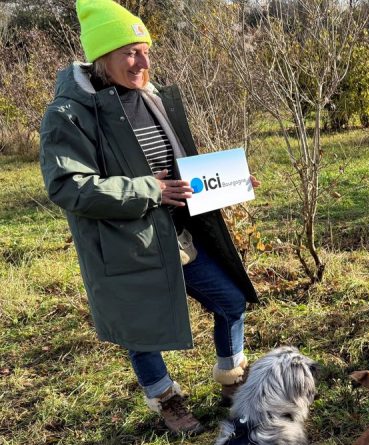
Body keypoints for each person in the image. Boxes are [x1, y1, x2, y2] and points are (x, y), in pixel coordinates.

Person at [39, 0, 260, 435]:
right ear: (101, 57)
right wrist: (149, 190)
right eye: (130, 53)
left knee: (231, 300)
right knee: (139, 330)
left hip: (177, 235)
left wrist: (226, 180)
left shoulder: (151, 96)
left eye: (145, 52)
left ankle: (231, 378)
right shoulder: (69, 113)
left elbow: (173, 164)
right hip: (126, 245)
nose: (143, 63)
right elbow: (67, 186)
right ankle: (166, 399)